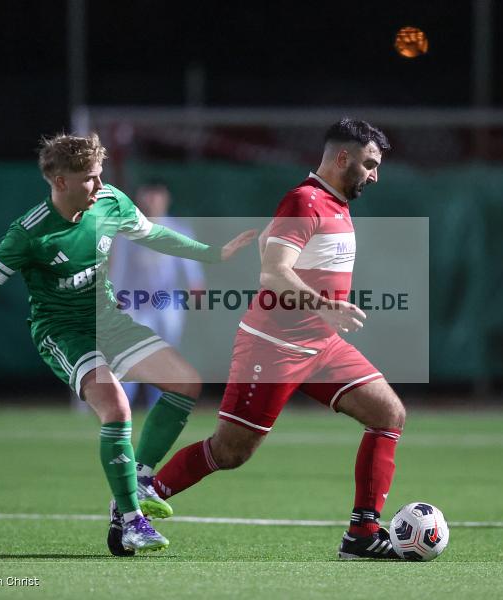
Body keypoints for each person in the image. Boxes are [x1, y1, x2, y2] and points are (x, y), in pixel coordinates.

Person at [0, 133, 256, 554]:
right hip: (61, 331)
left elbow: (153, 235)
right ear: (59, 181)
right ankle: (132, 520)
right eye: (89, 180)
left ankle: (139, 481)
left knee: (185, 384)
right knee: (117, 407)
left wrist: (213, 254)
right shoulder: (29, 233)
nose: (99, 187)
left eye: (100, 176)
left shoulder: (110, 201)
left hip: (109, 320)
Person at [150, 118, 408, 559]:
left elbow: (270, 247)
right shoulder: (305, 200)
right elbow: (272, 271)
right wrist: (326, 305)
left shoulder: (332, 202)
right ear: (342, 157)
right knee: (230, 452)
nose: (374, 174)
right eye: (369, 163)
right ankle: (136, 499)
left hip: (322, 346)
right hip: (272, 350)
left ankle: (362, 535)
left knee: (389, 414)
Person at [110, 181, 205, 409]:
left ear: (165, 199)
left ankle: (158, 406)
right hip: (135, 301)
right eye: (148, 196)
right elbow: (119, 268)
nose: (152, 201)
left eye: (156, 196)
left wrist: (197, 288)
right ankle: (123, 405)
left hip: (167, 302)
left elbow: (191, 266)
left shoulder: (179, 229)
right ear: (140, 200)